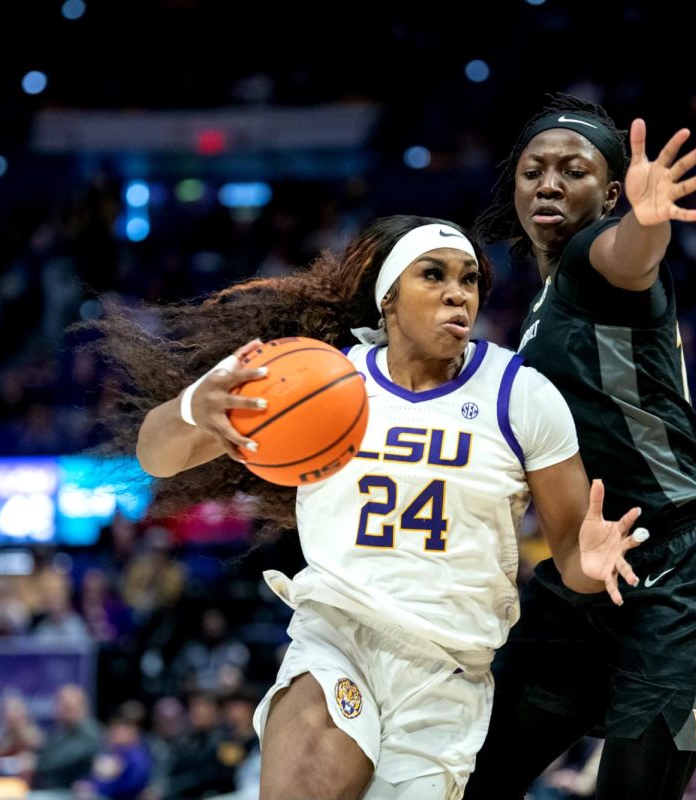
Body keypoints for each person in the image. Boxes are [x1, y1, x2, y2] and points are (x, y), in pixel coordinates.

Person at [104, 215, 644, 799]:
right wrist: (191, 409)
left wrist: (587, 568)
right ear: (388, 297)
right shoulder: (321, 380)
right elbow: (155, 456)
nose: (456, 292)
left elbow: (569, 551)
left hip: (447, 666)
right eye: (432, 275)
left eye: (469, 280)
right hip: (337, 632)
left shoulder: (521, 394)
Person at [465, 94, 696, 800]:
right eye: (534, 169)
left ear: (607, 193)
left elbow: (627, 257)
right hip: (591, 568)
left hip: (686, 562)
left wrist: (647, 225)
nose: (549, 181)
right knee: (470, 771)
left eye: (574, 169)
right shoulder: (540, 310)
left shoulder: (591, 260)